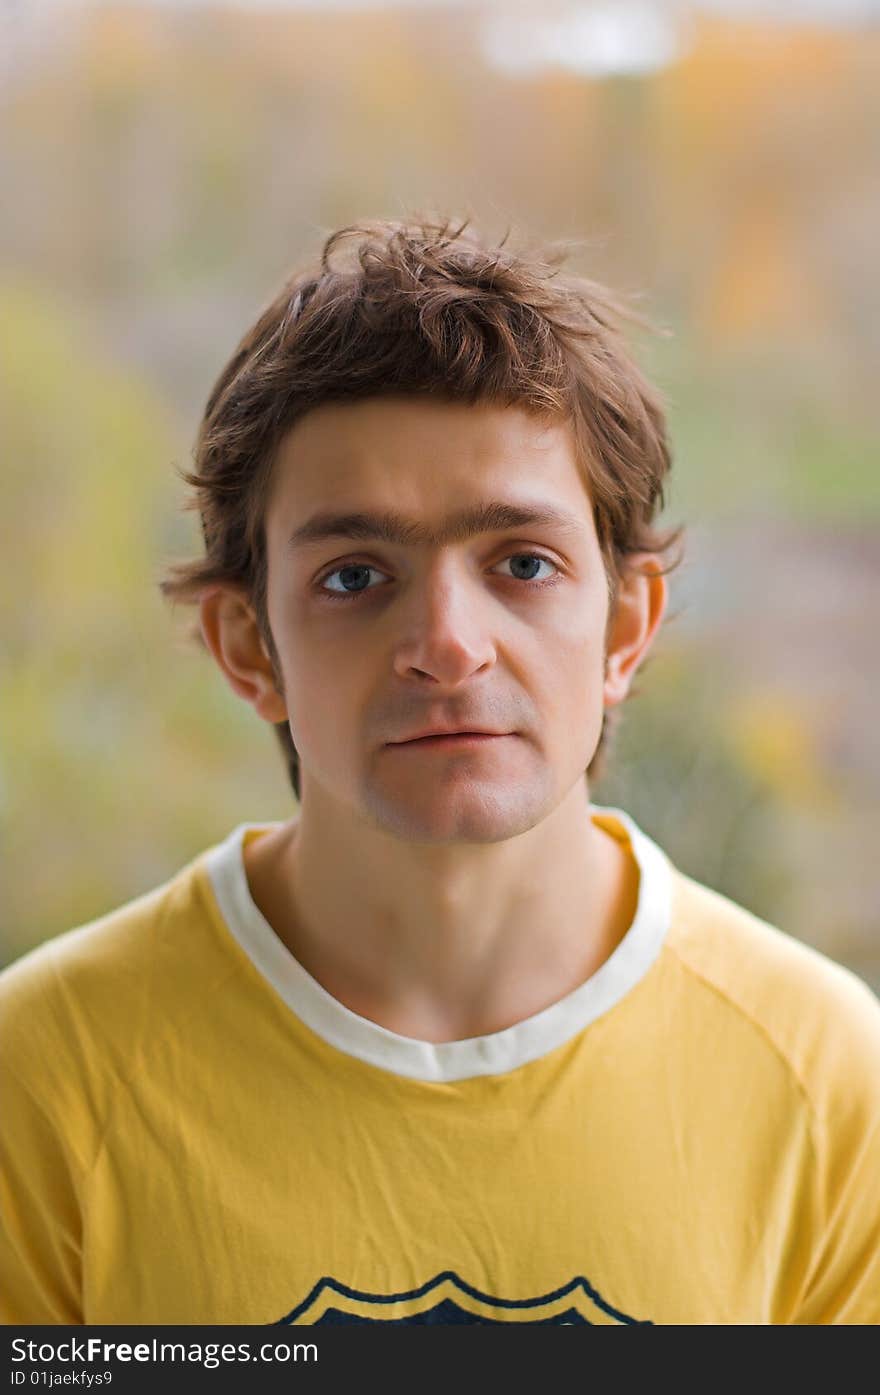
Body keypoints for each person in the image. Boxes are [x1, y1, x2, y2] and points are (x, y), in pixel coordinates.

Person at [2, 217, 878, 1327]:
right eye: (355, 575)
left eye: (521, 563)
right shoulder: (43, 1075)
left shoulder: (822, 1075)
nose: (447, 642)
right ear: (246, 645)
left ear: (624, 627)